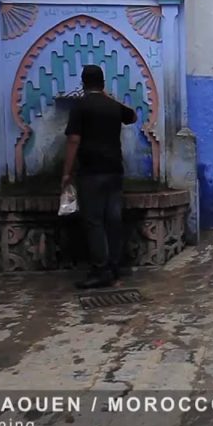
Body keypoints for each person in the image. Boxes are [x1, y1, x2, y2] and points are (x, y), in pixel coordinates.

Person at [62, 65, 138, 289]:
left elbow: (74, 140)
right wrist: (110, 98)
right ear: (103, 83)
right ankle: (114, 266)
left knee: (94, 221)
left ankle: (101, 270)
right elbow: (132, 116)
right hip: (115, 171)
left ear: (83, 83)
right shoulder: (113, 106)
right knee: (113, 220)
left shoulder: (80, 106)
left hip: (91, 173)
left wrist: (66, 172)